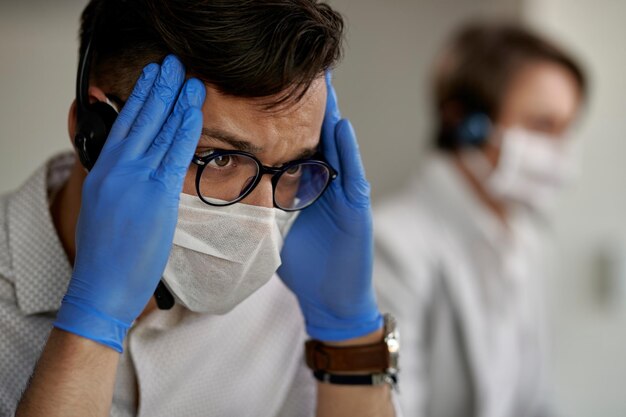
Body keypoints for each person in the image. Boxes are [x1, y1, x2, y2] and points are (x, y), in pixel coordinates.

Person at [0, 1, 400, 416]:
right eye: (220, 159)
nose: (263, 223)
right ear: (94, 132)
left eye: (295, 165)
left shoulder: (295, 303)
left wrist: (348, 338)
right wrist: (91, 325)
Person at [374, 22, 587, 417]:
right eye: (543, 126)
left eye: (566, 129)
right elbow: (395, 408)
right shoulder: (390, 243)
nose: (560, 151)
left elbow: (536, 400)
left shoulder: (528, 240)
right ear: (466, 125)